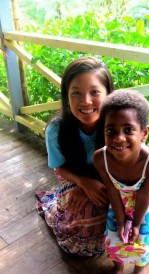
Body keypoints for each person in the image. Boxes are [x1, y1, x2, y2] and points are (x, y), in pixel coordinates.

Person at [35, 56, 114, 257]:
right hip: (74, 174)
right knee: (85, 214)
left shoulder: (117, 125)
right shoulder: (56, 130)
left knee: (119, 209)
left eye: (95, 92)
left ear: (108, 94)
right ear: (66, 97)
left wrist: (94, 183)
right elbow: (59, 168)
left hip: (111, 178)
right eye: (76, 93)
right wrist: (83, 183)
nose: (86, 101)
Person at [93, 89, 149, 274]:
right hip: (119, 195)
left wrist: (137, 223)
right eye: (111, 130)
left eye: (128, 130)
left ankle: (140, 271)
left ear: (144, 132)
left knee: (143, 237)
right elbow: (112, 190)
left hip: (146, 197)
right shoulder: (100, 159)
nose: (118, 138)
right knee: (114, 232)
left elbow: (143, 196)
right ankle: (118, 267)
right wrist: (122, 219)